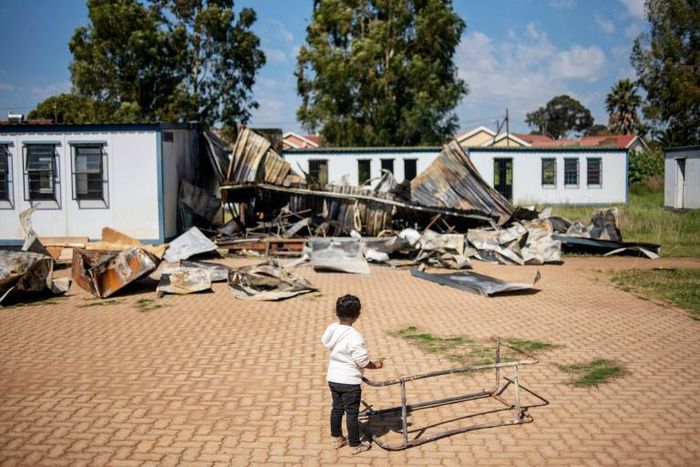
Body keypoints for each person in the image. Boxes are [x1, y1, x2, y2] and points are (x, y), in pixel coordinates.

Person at [321, 294, 384, 454]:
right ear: (357, 315)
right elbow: (362, 360)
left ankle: (337, 438)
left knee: (336, 409)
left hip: (333, 378)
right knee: (351, 413)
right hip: (349, 382)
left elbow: (325, 342)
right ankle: (355, 444)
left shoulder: (332, 329)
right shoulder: (354, 336)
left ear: (337, 312)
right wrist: (375, 365)